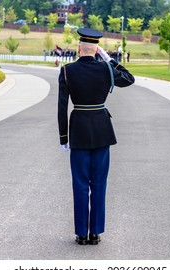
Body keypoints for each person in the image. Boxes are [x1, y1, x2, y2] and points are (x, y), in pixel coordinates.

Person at [58, 28, 135, 245]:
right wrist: (110, 60)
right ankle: (96, 233)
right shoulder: (106, 69)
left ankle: (81, 233)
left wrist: (63, 137)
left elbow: (62, 107)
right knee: (99, 183)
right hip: (102, 131)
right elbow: (129, 79)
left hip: (79, 131)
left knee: (80, 183)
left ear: (79, 48)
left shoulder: (67, 70)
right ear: (96, 50)